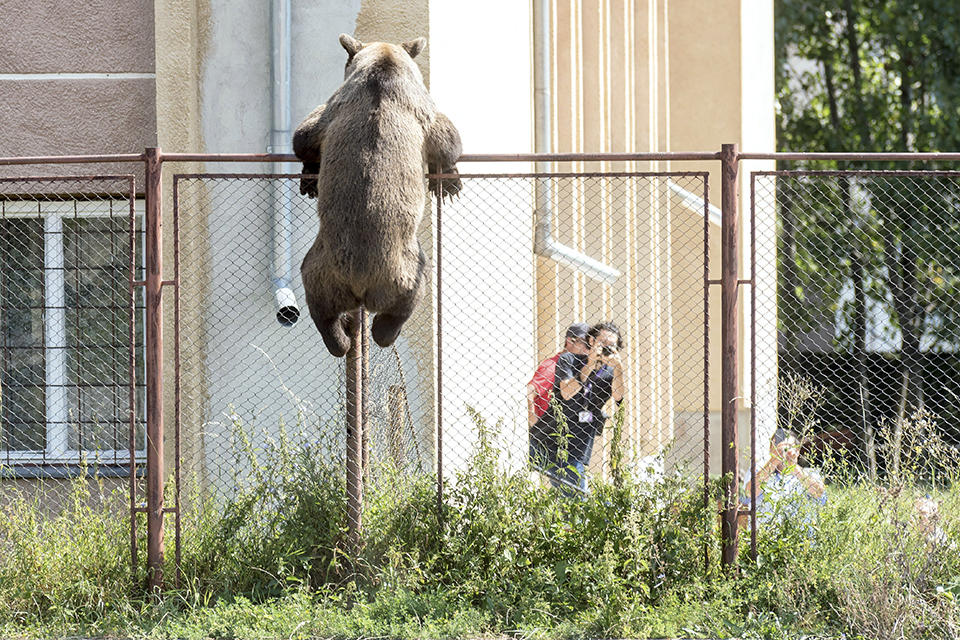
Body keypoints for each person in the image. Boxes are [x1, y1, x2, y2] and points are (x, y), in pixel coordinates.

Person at [529, 322, 626, 495]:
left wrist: (618, 367)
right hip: (547, 439)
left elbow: (618, 396)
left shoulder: (611, 373)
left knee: (575, 497)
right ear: (591, 341)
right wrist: (590, 365)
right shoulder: (569, 360)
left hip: (577, 447)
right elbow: (566, 392)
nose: (606, 347)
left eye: (611, 345)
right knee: (577, 498)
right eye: (602, 342)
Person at [741, 428, 827, 529]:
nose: (783, 451)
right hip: (765, 535)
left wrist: (794, 468)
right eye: (778, 447)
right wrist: (774, 460)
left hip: (800, 536)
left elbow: (820, 494)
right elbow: (747, 495)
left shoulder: (810, 474)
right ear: (771, 450)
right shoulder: (757, 471)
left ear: (797, 451)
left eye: (789, 447)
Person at [527, 322, 592, 428]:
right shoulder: (552, 365)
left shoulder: (583, 367)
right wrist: (535, 424)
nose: (587, 349)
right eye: (585, 344)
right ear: (570, 341)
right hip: (550, 431)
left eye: (590, 345)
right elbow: (529, 391)